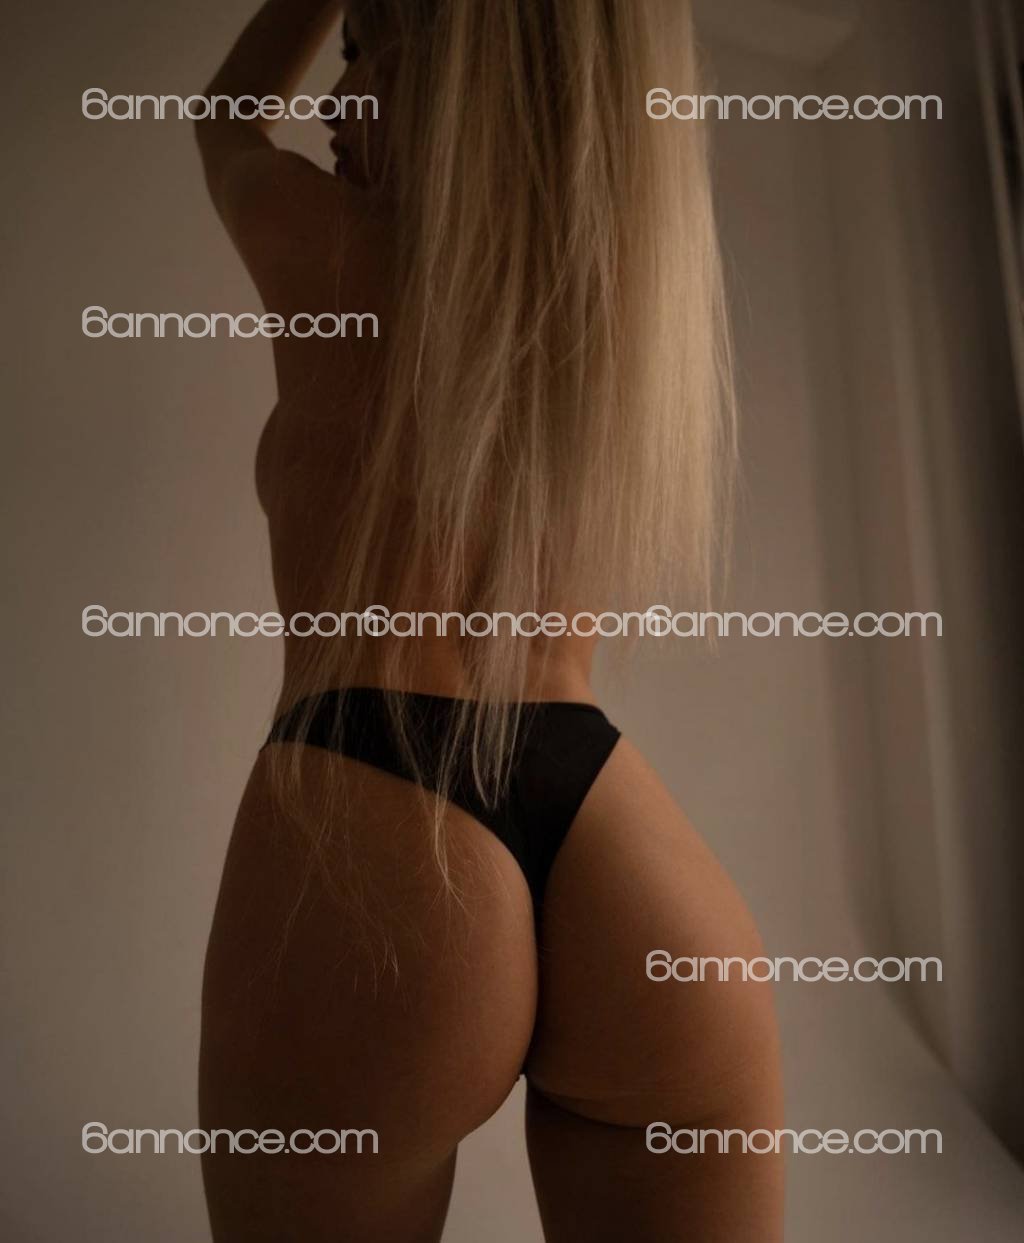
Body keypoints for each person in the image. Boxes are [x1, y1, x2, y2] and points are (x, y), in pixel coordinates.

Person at [196, 3, 783, 1240]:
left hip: (374, 808)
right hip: (619, 836)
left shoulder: (324, 243)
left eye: (367, 54)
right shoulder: (616, 313)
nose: (333, 104)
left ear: (466, 83)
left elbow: (225, 119)